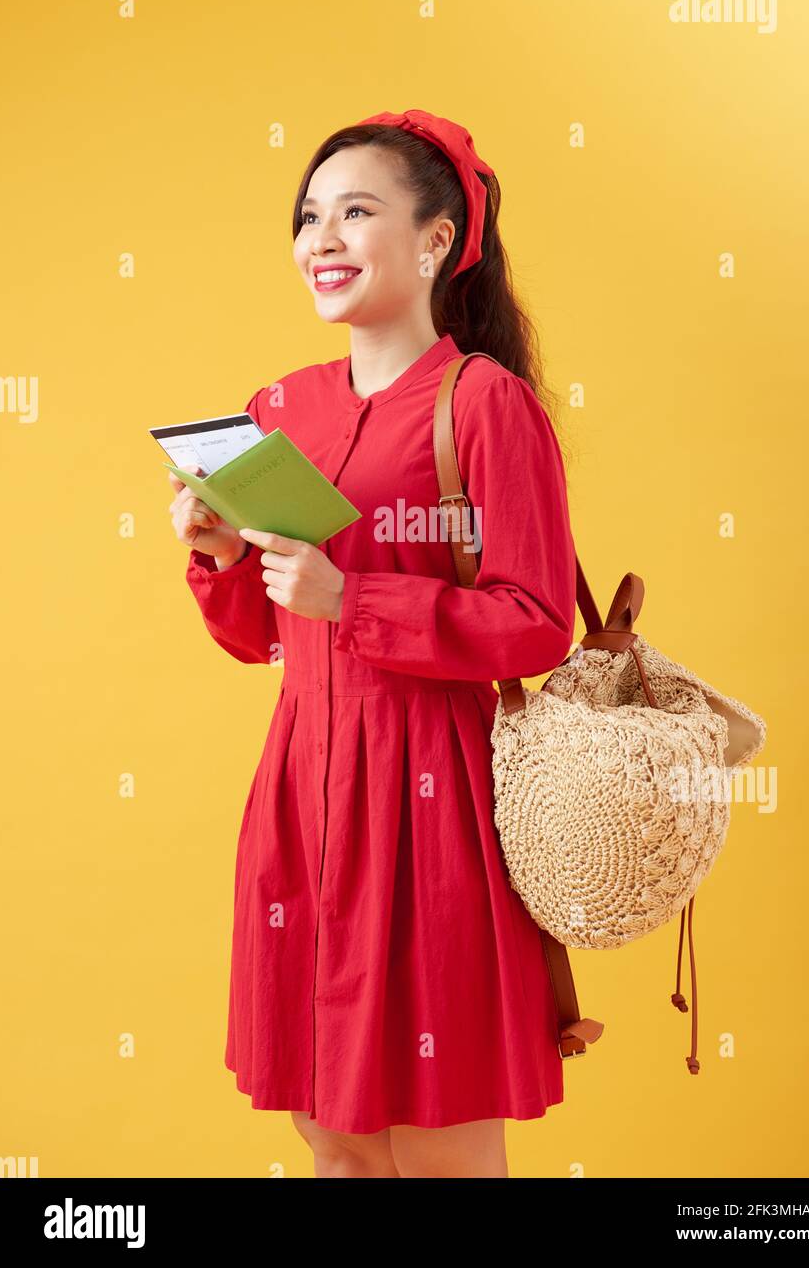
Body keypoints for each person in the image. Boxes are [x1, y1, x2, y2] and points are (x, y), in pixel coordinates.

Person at [167, 110, 577, 1179]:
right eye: (311, 216)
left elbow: (536, 623)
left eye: (357, 212)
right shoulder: (279, 407)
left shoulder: (485, 405)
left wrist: (355, 599)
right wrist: (218, 556)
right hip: (303, 793)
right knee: (333, 1137)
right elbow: (265, 633)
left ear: (439, 240)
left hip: (432, 794)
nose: (323, 239)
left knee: (438, 1133)